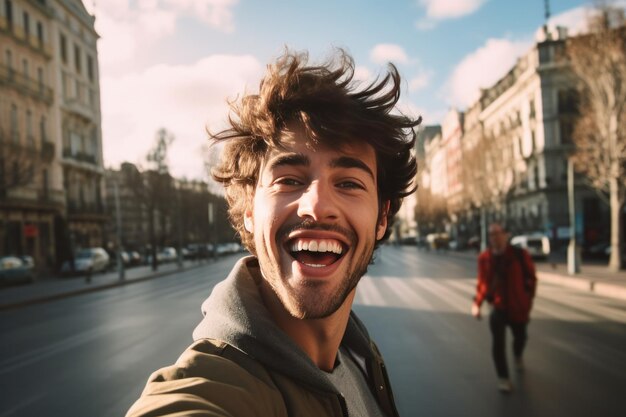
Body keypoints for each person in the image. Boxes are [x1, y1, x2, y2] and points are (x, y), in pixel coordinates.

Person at [126, 49, 420, 417]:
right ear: (249, 209)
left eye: (348, 183)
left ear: (381, 217)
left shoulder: (358, 354)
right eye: (289, 180)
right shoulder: (217, 389)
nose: (316, 205)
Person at [471, 222, 538, 393]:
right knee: (498, 344)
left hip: (518, 308)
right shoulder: (484, 258)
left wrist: (527, 301)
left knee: (520, 338)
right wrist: (477, 304)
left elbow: (531, 279)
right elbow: (483, 284)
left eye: (497, 233)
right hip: (498, 308)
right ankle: (503, 378)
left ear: (506, 235)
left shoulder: (520, 255)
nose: (494, 237)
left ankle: (517, 355)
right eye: (491, 234)